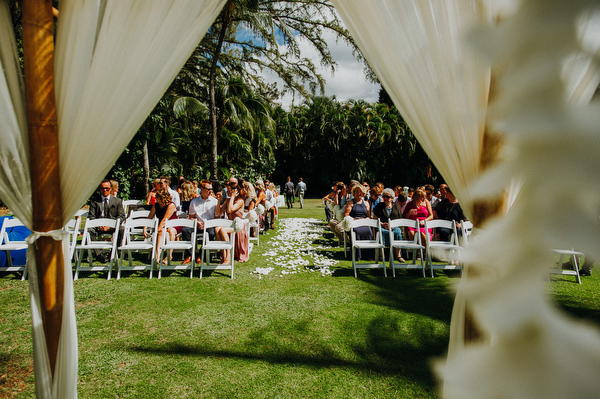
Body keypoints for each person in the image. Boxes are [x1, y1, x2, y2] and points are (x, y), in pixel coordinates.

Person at [88, 179, 126, 263]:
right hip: (98, 227)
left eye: (107, 188)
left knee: (121, 229)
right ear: (99, 189)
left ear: (111, 188)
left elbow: (122, 216)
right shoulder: (94, 201)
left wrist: (111, 225)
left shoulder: (117, 201)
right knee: (89, 230)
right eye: (102, 188)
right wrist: (99, 225)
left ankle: (114, 252)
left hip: (112, 227)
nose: (104, 190)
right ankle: (98, 255)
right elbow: (91, 216)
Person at [181, 180, 218, 265]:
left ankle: (201, 254)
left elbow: (217, 217)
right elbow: (191, 217)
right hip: (197, 225)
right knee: (185, 230)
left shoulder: (214, 201)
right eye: (208, 189)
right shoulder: (194, 201)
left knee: (211, 233)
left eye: (211, 189)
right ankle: (190, 255)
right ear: (202, 189)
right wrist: (197, 222)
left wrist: (208, 224)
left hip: (209, 225)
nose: (210, 191)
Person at [215, 181, 249, 263]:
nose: (227, 192)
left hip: (238, 227)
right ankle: (223, 254)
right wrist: (219, 200)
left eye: (229, 190)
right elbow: (218, 213)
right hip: (230, 225)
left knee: (223, 230)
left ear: (235, 191)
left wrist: (233, 197)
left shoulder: (240, 201)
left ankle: (228, 256)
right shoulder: (227, 200)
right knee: (217, 229)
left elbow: (230, 210)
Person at [145, 189, 180, 264]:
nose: (155, 198)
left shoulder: (171, 205)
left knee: (170, 230)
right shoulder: (156, 206)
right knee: (161, 231)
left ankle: (169, 255)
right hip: (162, 225)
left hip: (173, 224)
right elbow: (149, 217)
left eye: (157, 197)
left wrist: (157, 230)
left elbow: (165, 219)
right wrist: (145, 228)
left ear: (162, 198)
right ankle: (157, 256)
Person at [372, 188, 404, 261]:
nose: (386, 198)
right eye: (384, 196)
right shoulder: (379, 206)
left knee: (397, 232)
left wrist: (393, 225)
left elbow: (399, 219)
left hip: (394, 226)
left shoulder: (396, 206)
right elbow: (375, 219)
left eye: (388, 197)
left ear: (392, 198)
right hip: (381, 226)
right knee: (381, 232)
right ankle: (380, 254)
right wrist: (382, 224)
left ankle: (398, 255)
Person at [344, 184, 373, 260]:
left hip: (364, 222)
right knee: (356, 232)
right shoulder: (350, 202)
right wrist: (354, 220)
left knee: (369, 232)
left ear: (363, 193)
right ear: (354, 193)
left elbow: (369, 216)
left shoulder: (366, 203)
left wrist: (366, 220)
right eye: (356, 191)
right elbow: (346, 215)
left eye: (360, 192)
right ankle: (357, 255)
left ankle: (368, 255)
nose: (358, 193)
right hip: (354, 223)